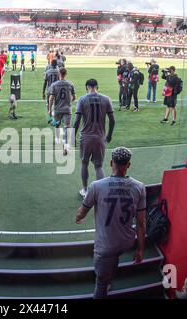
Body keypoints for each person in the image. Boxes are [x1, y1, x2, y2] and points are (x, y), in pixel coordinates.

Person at [75, 147, 146, 299]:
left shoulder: (96, 186)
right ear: (128, 165)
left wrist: (79, 217)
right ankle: (109, 279)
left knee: (100, 284)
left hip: (106, 246)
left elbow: (83, 211)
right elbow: (141, 223)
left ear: (111, 163)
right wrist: (140, 249)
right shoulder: (139, 187)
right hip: (127, 242)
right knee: (115, 257)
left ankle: (104, 284)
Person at [73, 79, 115, 198]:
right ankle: (100, 193)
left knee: (84, 163)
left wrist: (72, 136)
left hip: (85, 137)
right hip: (100, 137)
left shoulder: (82, 99)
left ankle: (85, 190)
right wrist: (109, 135)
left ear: (87, 87)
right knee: (98, 166)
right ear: (97, 87)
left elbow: (76, 121)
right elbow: (112, 120)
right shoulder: (106, 99)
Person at [48, 67, 76, 155]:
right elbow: (74, 97)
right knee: (67, 126)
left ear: (59, 74)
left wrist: (49, 109)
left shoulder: (54, 85)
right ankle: (66, 145)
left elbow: (51, 98)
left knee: (57, 124)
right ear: (66, 74)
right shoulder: (70, 84)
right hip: (67, 109)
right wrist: (69, 99)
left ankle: (57, 140)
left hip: (57, 109)